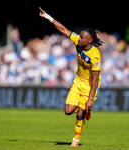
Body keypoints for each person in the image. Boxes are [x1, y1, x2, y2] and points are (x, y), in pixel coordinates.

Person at [39, 7, 103, 147]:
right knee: (68, 111)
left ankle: (76, 139)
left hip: (89, 86)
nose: (79, 38)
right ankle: (81, 111)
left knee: (80, 112)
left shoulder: (95, 55)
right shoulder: (78, 42)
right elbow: (63, 29)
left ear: (90, 40)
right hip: (77, 82)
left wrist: (90, 99)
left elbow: (96, 79)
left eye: (82, 37)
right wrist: (48, 16)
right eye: (79, 36)